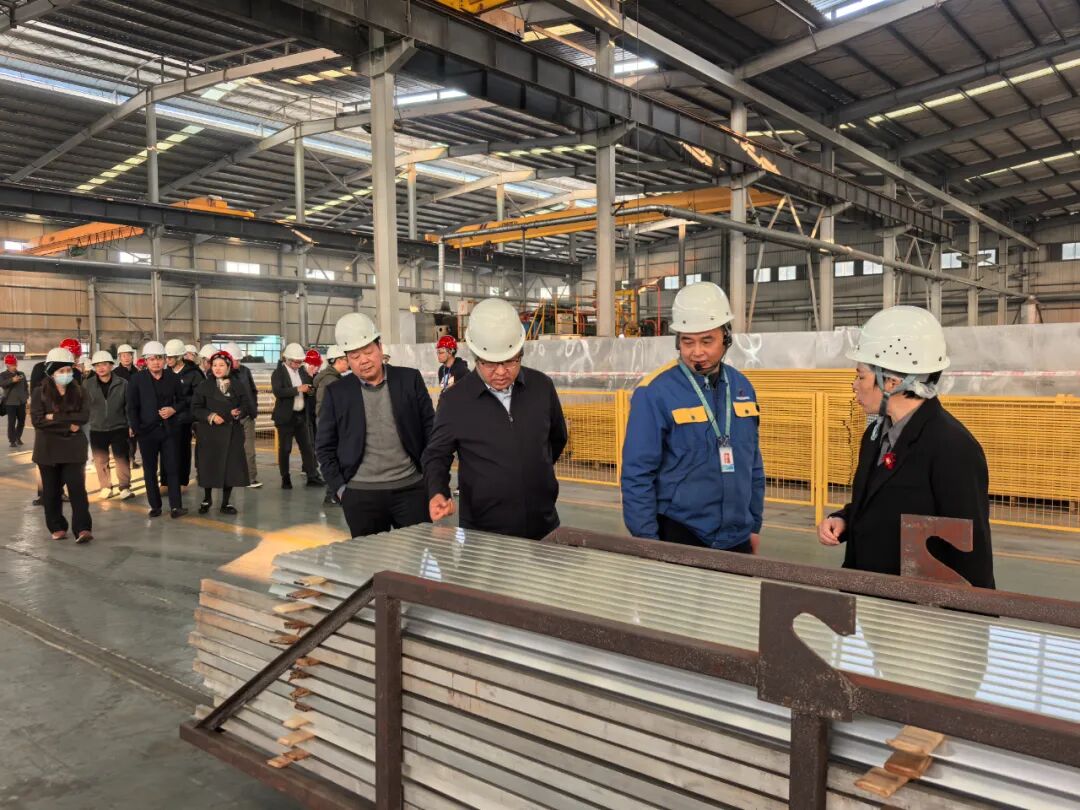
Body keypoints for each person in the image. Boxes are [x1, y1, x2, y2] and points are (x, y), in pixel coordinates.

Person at [817, 306, 995, 588]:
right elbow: (879, 503)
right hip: (869, 593)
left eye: (861, 376)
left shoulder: (952, 448)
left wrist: (971, 612)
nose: (854, 385)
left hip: (913, 605)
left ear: (891, 382)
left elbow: (970, 550)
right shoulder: (876, 434)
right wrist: (845, 519)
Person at [621, 282, 765, 553]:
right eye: (688, 342)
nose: (697, 352)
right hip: (681, 532)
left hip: (737, 536)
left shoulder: (742, 388)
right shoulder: (654, 392)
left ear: (726, 338)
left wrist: (754, 524)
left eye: (707, 341)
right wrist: (647, 541)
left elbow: (752, 461)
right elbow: (637, 473)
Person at [423, 297, 567, 540]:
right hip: (483, 532)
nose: (501, 372)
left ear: (520, 352)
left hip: (543, 523)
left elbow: (557, 439)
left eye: (510, 361)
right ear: (476, 356)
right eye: (490, 364)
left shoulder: (541, 387)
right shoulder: (455, 401)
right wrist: (437, 491)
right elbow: (436, 455)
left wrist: (533, 472)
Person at [317, 314, 434, 536]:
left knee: (416, 552)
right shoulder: (337, 392)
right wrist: (341, 490)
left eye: (368, 352)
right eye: (355, 356)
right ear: (347, 359)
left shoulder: (409, 380)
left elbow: (431, 430)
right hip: (361, 495)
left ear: (380, 348)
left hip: (410, 490)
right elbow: (324, 446)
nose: (364, 360)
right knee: (368, 558)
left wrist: (429, 479)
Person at [30, 347, 92, 543]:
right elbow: (38, 421)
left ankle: (82, 528)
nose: (66, 374)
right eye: (61, 371)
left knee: (77, 489)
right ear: (51, 372)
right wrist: (67, 424)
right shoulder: (39, 392)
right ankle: (57, 527)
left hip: (73, 449)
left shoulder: (80, 392)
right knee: (51, 492)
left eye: (68, 370)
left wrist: (53, 417)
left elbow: (83, 417)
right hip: (47, 450)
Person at [127, 341, 187, 519]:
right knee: (149, 470)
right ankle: (155, 506)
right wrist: (136, 428)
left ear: (165, 360)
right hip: (147, 432)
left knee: (172, 468)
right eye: (152, 359)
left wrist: (173, 409)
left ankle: (176, 506)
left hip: (169, 431)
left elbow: (183, 401)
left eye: (159, 358)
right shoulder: (137, 379)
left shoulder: (173, 378)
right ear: (146, 361)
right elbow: (132, 406)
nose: (156, 362)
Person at [191, 350, 254, 515]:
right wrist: (211, 416)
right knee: (208, 466)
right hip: (209, 434)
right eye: (214, 365)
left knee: (229, 468)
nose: (217, 368)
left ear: (228, 367)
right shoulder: (204, 386)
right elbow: (195, 408)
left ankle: (225, 502)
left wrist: (239, 412)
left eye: (221, 365)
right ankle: (207, 498)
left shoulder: (238, 385)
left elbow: (246, 405)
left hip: (232, 433)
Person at [271, 343, 324, 490]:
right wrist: (298, 389)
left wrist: (310, 389)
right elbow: (278, 392)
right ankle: (285, 478)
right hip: (285, 418)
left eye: (299, 362)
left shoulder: (302, 372)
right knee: (285, 449)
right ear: (287, 359)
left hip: (301, 416)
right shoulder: (278, 373)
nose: (297, 364)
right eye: (295, 362)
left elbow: (309, 387)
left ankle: (312, 476)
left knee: (307, 447)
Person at [85, 350, 133, 500]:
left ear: (111, 365)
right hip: (97, 428)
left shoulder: (123, 383)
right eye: (97, 365)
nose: (101, 368)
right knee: (100, 460)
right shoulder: (88, 384)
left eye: (104, 364)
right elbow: (84, 406)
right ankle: (106, 487)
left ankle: (125, 487)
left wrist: (130, 424)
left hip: (119, 426)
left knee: (122, 458)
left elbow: (129, 406)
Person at [164, 338, 203, 489]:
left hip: (184, 419)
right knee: (166, 451)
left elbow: (198, 396)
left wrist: (177, 407)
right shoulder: (166, 373)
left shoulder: (194, 374)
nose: (167, 360)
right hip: (167, 418)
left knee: (182, 450)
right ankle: (165, 482)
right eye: (166, 357)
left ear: (180, 357)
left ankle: (181, 481)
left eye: (171, 357)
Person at [313, 344, 348, 506]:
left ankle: (333, 494)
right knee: (333, 458)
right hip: (330, 425)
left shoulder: (332, 378)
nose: (348, 363)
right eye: (346, 360)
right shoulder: (330, 380)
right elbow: (324, 406)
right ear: (338, 360)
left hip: (328, 423)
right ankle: (332, 495)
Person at [224, 342, 262, 489]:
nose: (238, 363)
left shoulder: (245, 371)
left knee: (249, 450)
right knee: (229, 450)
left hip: (247, 417)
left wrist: (253, 409)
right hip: (230, 419)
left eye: (239, 360)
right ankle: (228, 477)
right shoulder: (220, 375)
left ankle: (250, 478)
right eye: (235, 360)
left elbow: (252, 390)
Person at [113, 343, 139, 468]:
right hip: (120, 408)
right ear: (119, 357)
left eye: (129, 355)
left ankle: (131, 458)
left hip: (134, 407)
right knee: (121, 436)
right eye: (124, 355)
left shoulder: (137, 372)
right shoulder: (115, 373)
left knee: (133, 435)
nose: (127, 358)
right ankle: (123, 460)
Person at [0, 354, 28, 447]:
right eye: (12, 365)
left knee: (22, 421)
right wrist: (12, 380)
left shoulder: (21, 374)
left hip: (21, 402)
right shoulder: (3, 375)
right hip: (10, 403)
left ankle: (18, 437)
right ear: (7, 365)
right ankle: (12, 440)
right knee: (11, 422)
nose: (14, 366)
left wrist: (26, 397)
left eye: (15, 364)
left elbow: (25, 387)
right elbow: (2, 384)